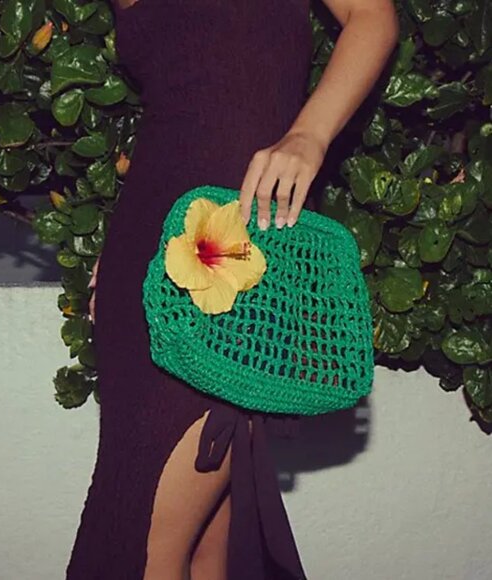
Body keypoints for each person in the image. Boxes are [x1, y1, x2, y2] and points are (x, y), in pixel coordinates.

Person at [66, 1, 399, 578]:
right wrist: (125, 247)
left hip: (242, 263)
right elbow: (186, 107)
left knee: (134, 542)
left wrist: (309, 135)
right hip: (153, 250)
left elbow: (373, 16)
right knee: (201, 549)